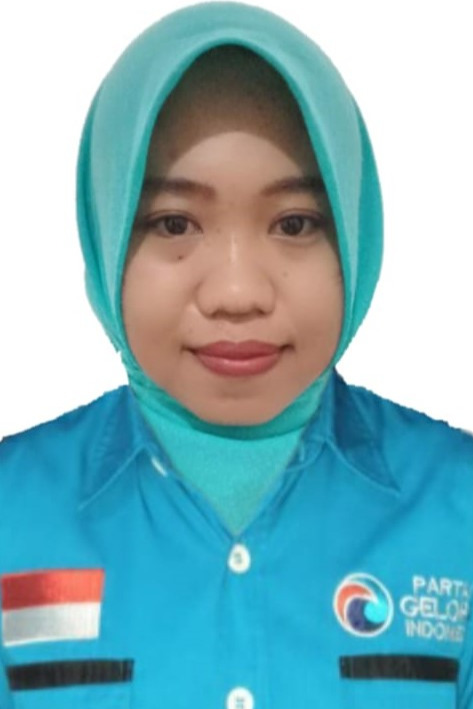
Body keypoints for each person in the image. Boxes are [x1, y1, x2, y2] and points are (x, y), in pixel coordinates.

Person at [0, 2, 472, 708]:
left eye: (294, 223)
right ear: (106, 236)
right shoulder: (11, 515)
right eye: (173, 223)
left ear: (354, 234)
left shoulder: (458, 508)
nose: (236, 293)